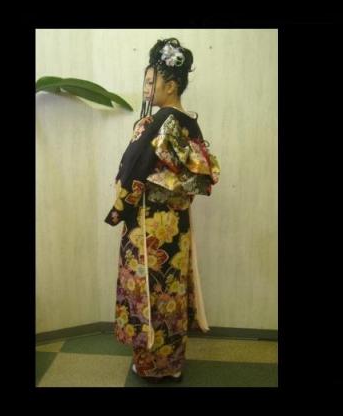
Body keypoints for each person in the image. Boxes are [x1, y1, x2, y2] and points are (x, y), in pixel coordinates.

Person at [104, 37, 220, 382]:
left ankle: (149, 365)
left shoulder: (157, 123)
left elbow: (130, 172)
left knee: (147, 290)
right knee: (171, 288)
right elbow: (200, 177)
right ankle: (172, 364)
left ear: (171, 85)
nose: (146, 88)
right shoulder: (189, 123)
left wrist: (120, 207)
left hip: (148, 222)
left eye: (151, 81)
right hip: (177, 224)